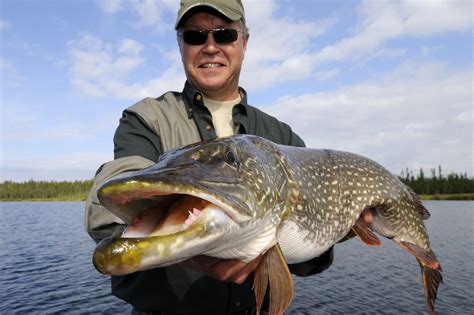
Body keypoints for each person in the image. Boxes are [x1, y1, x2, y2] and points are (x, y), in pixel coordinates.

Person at [85, 1, 334, 314]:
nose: (210, 46)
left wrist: (344, 228)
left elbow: (311, 256)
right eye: (196, 36)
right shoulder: (147, 118)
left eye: (225, 34)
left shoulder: (281, 137)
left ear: (244, 41)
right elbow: (113, 197)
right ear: (180, 44)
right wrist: (199, 251)